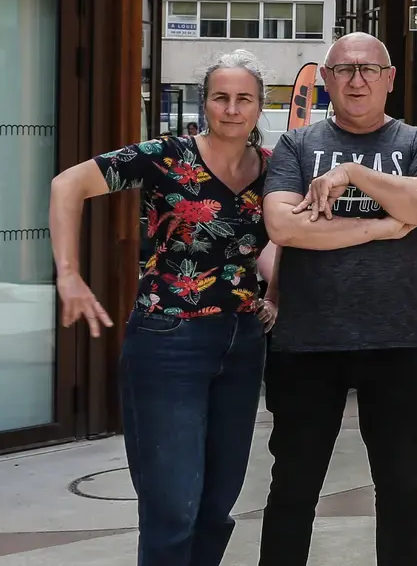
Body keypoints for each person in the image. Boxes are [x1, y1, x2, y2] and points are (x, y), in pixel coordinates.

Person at [49, 50, 278, 566]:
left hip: (242, 345)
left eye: (244, 98)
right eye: (221, 97)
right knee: (173, 505)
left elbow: (265, 244)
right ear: (206, 103)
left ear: (260, 107)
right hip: (169, 339)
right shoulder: (166, 156)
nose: (232, 109)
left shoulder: (271, 170)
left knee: (218, 505)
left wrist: (279, 295)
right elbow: (68, 184)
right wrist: (68, 273)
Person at [258, 32, 417, 566]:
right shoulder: (297, 147)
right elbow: (282, 224)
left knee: (398, 487)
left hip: (398, 343)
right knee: (293, 487)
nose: (357, 79)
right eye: (344, 69)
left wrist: (352, 176)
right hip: (306, 345)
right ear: (326, 79)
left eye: (369, 69)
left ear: (390, 78)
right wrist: (383, 228)